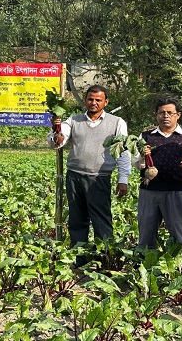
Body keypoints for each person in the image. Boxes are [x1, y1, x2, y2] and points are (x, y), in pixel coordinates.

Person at [48, 85, 131, 267]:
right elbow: (57, 142)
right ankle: (80, 258)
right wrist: (57, 134)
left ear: (105, 102)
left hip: (99, 178)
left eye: (98, 100)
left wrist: (123, 179)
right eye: (90, 99)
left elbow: (123, 152)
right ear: (85, 100)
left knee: (101, 220)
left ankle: (105, 259)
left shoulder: (117, 122)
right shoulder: (73, 120)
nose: (93, 103)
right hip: (75, 176)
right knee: (77, 219)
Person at [134, 97, 182, 249]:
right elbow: (138, 165)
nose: (165, 116)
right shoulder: (145, 137)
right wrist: (143, 155)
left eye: (170, 112)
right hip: (149, 192)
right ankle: (145, 266)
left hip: (176, 192)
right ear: (156, 115)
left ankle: (181, 268)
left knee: (180, 235)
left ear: (178, 115)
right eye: (161, 112)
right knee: (145, 234)